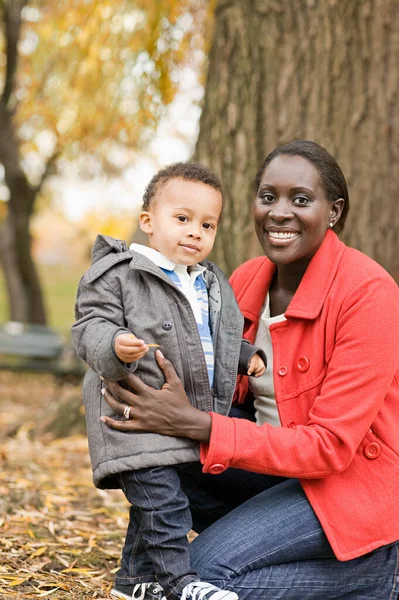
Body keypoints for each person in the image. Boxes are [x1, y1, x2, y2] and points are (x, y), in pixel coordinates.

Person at [100, 140, 399, 599]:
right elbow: (224, 395)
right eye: (267, 197)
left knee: (203, 576)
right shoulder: (242, 281)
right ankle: (138, 581)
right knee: (152, 449)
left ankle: (378, 573)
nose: (280, 212)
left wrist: (197, 423)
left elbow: (330, 448)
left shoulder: (369, 294)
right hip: (273, 471)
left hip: (348, 487)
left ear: (334, 211)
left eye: (300, 199)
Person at [72, 162, 266, 600]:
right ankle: (179, 584)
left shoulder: (209, 282)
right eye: (182, 219)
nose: (194, 232)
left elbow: (215, 337)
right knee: (166, 506)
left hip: (184, 419)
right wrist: (116, 342)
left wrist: (244, 356)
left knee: (153, 508)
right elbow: (90, 326)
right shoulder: (120, 274)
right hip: (133, 419)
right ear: (148, 222)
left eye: (207, 224)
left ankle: (133, 583)